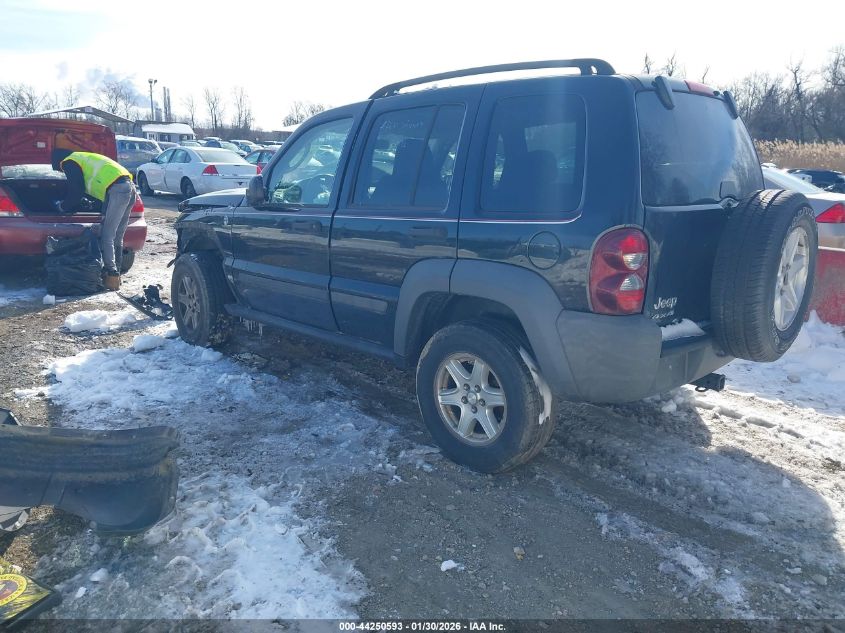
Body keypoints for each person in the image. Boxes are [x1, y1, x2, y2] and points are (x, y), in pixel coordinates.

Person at [51, 149, 136, 291]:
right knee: (117, 235)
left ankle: (111, 272)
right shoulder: (84, 157)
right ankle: (116, 276)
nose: (63, 172)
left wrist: (63, 207)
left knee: (107, 235)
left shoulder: (69, 162)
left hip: (118, 190)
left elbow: (76, 190)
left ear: (59, 162)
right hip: (129, 188)